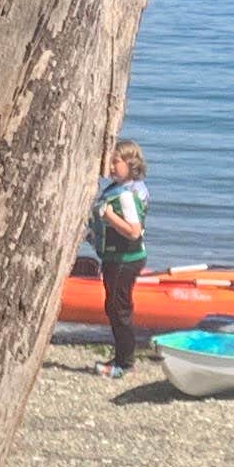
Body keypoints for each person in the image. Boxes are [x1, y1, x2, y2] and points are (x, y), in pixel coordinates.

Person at [85, 139, 149, 378]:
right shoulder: (120, 189)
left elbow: (133, 231)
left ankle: (125, 364)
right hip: (117, 257)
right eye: (109, 161)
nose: (110, 166)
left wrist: (108, 216)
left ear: (131, 164)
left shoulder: (126, 195)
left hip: (125, 258)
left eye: (116, 162)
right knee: (114, 308)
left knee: (119, 310)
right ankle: (122, 357)